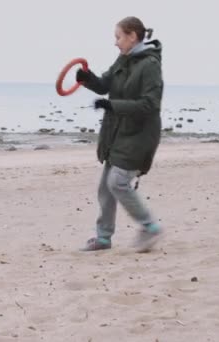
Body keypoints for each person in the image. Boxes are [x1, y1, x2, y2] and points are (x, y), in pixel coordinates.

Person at [76, 16, 164, 253]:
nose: (115, 43)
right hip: (118, 132)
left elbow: (150, 104)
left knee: (118, 182)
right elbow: (105, 84)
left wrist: (113, 106)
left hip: (140, 134)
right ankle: (103, 238)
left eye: (118, 37)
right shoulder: (123, 59)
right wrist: (87, 79)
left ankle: (150, 227)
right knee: (106, 186)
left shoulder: (150, 65)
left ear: (132, 36)